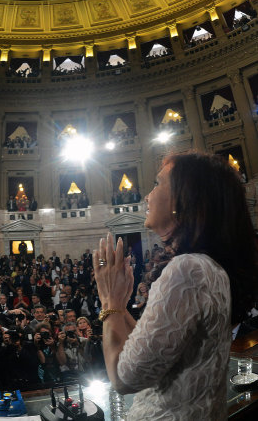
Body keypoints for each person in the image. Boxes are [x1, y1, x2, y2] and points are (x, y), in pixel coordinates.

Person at [93, 153, 258, 421]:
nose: (147, 196)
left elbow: (124, 378)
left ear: (185, 199)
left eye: (157, 184)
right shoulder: (208, 267)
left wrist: (109, 301)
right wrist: (121, 308)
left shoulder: (188, 270)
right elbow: (154, 353)